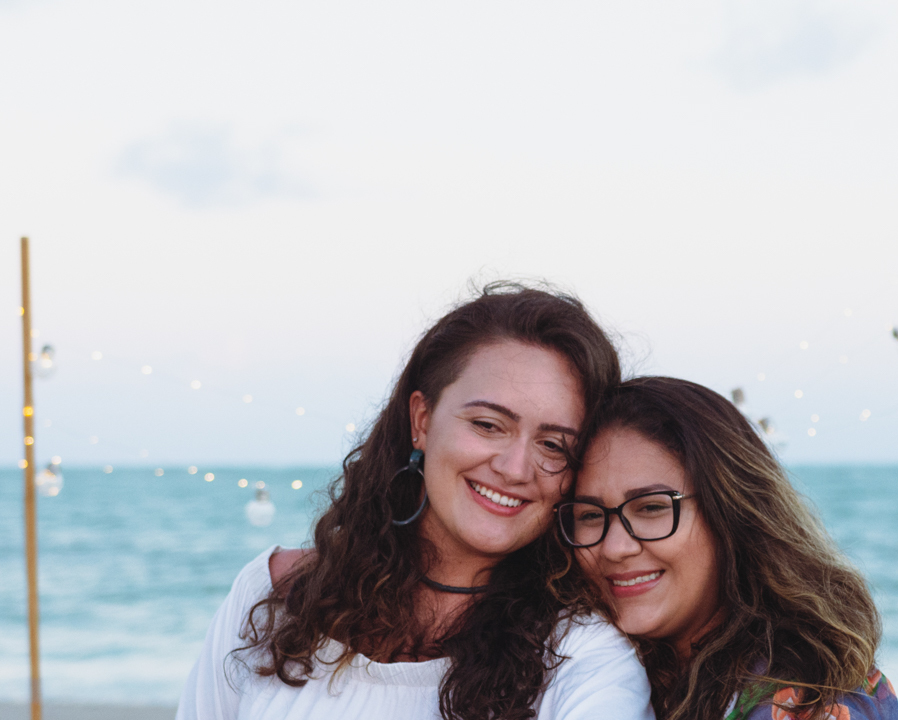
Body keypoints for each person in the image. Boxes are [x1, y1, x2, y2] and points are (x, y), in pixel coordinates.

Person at [177, 283, 655, 720]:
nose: (514, 468)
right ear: (422, 420)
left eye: (554, 445)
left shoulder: (583, 658)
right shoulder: (273, 595)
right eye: (488, 425)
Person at [558, 376, 898, 720]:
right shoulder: (591, 667)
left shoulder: (807, 694)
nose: (615, 547)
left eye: (651, 507)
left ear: (730, 512)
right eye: (589, 515)